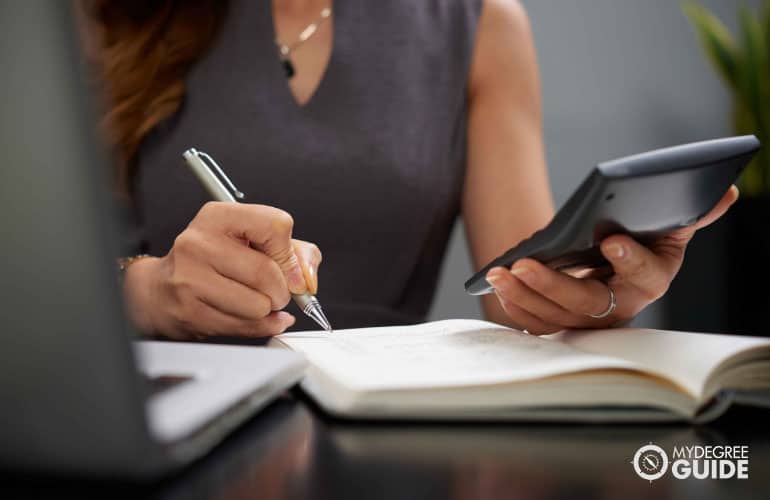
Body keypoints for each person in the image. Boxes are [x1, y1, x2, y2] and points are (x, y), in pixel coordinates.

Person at [78, 0, 738, 339]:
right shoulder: (104, 18)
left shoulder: (479, 21)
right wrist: (148, 290)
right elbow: (34, 284)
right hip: (162, 411)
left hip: (380, 421)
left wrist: (611, 288)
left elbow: (523, 293)